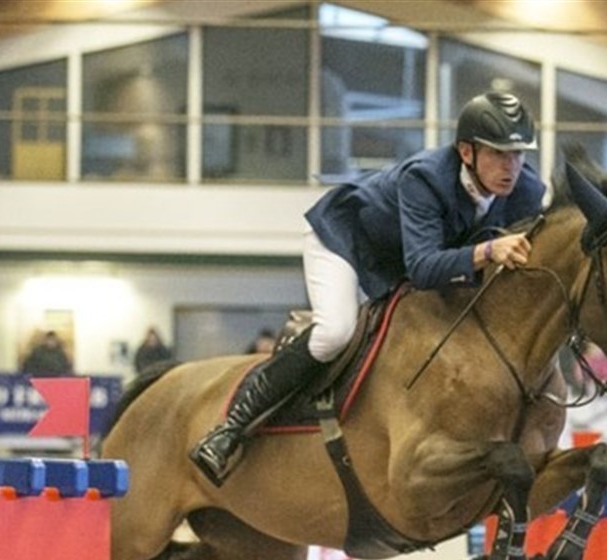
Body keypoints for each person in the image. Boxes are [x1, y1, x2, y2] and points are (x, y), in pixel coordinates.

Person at [190, 92, 545, 486]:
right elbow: (424, 268)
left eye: (518, 154)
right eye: (498, 154)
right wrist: (488, 251)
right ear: (466, 152)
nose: (511, 166)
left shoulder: (527, 192)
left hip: (397, 262)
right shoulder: (425, 178)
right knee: (335, 332)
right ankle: (230, 429)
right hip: (346, 241)